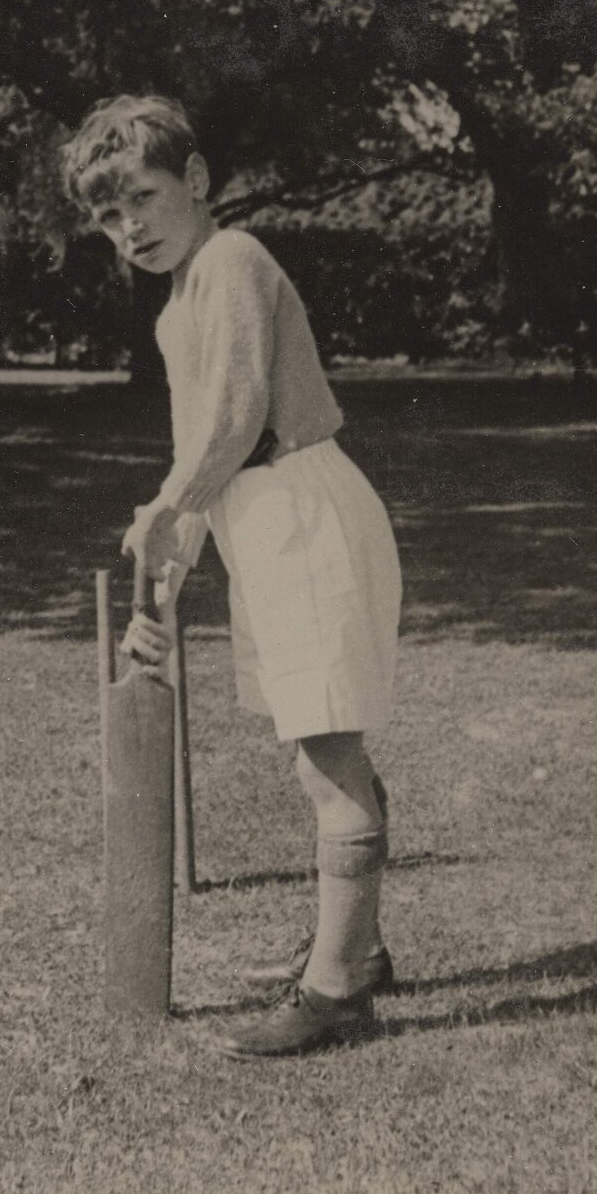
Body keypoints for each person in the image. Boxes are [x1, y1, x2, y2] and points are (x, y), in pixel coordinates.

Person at [61, 94, 402, 1057]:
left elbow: (243, 414)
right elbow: (199, 457)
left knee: (329, 753)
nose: (130, 224)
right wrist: (165, 571)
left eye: (144, 195)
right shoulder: (178, 306)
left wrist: (169, 511)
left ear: (198, 181)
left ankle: (337, 993)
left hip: (303, 508)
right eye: (108, 213)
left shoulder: (234, 260)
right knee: (317, 747)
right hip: (261, 519)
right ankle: (360, 949)